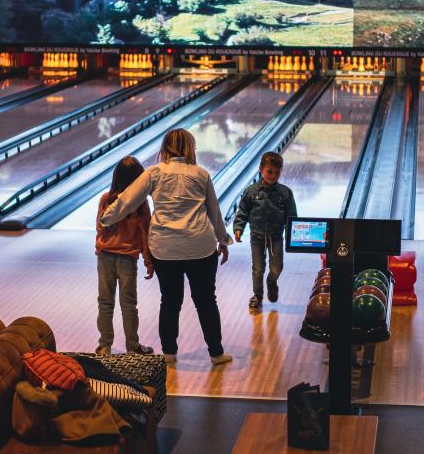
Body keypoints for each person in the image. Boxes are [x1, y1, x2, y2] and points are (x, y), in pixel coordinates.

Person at [100, 128, 232, 366]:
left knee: (170, 301)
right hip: (200, 247)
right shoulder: (201, 174)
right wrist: (223, 241)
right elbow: (214, 211)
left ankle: (169, 354)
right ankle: (216, 353)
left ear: (165, 149)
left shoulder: (154, 173)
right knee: (205, 301)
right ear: (191, 148)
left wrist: (106, 217)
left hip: (165, 249)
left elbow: (128, 199)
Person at [95, 156, 155, 356]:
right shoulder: (141, 204)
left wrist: (102, 246)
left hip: (105, 258)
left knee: (105, 302)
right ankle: (133, 346)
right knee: (129, 305)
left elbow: (99, 227)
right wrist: (148, 260)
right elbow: (146, 234)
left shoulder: (106, 199)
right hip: (127, 260)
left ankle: (104, 346)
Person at [233, 152, 297, 310]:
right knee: (258, 268)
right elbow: (242, 212)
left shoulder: (285, 193)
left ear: (281, 171)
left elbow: (292, 216)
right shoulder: (251, 191)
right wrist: (238, 228)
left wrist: (292, 234)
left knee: (277, 267)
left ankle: (271, 281)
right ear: (261, 169)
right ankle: (257, 296)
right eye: (269, 171)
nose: (273, 176)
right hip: (257, 237)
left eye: (277, 172)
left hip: (276, 236)